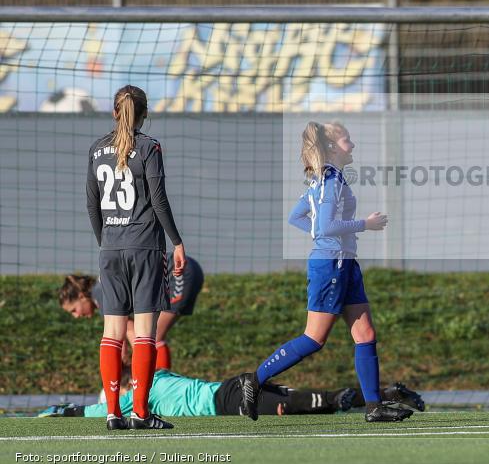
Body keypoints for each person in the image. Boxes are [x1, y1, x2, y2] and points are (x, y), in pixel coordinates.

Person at [238, 121, 412, 423]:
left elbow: (298, 217)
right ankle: (255, 380)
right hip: (331, 265)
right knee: (314, 338)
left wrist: (323, 234)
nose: (352, 145)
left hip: (345, 263)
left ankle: (374, 408)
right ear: (332, 147)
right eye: (347, 140)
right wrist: (364, 225)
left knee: (366, 334)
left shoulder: (328, 179)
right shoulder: (330, 181)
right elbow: (326, 226)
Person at [86, 85, 186, 431]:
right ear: (144, 114)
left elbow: (92, 205)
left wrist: (106, 243)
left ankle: (113, 413)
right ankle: (141, 413)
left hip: (110, 249)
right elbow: (158, 200)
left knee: (112, 333)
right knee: (144, 333)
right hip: (145, 247)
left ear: (115, 112)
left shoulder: (97, 149)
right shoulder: (149, 147)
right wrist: (177, 242)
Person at [39, 370, 424, 419]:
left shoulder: (136, 394)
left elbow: (100, 412)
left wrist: (64, 411)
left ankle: (384, 396)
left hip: (230, 401)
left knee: (318, 403)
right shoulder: (157, 374)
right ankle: (388, 392)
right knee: (322, 399)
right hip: (233, 387)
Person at [57, 253, 203, 370]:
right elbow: (127, 330)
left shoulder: (100, 293)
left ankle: (158, 386)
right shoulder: (101, 288)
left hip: (178, 273)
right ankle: (156, 383)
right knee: (150, 337)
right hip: (186, 268)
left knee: (152, 338)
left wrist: (122, 362)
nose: (76, 316)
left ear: (81, 296)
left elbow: (123, 332)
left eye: (73, 310)